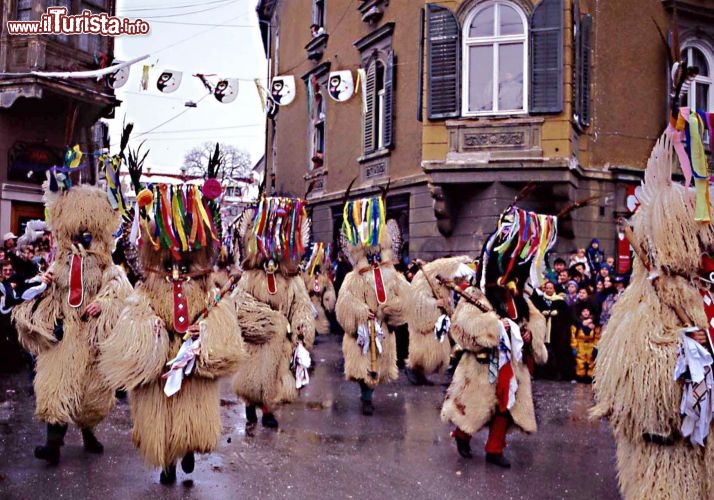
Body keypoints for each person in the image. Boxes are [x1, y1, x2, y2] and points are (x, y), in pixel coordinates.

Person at [100, 181, 244, 485]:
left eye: (184, 254)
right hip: (162, 359)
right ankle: (167, 464)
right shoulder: (148, 287)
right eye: (171, 254)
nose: (177, 260)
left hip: (191, 358)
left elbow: (220, 314)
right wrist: (151, 329)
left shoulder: (206, 287)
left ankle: (188, 447)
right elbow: (136, 311)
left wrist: (203, 329)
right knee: (161, 415)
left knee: (189, 413)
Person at [13, 183, 133, 466]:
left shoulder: (106, 265)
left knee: (89, 391)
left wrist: (102, 304)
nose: (83, 235)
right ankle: (52, 445)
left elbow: (120, 291)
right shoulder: (60, 264)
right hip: (65, 335)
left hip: (91, 336)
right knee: (55, 387)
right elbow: (47, 292)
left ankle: (89, 434)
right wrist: (44, 287)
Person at [230, 196, 316, 429]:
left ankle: (268, 410)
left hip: (282, 344)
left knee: (275, 378)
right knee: (252, 377)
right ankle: (250, 404)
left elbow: (302, 305)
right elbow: (238, 304)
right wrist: (269, 322)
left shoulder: (293, 280)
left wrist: (301, 328)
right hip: (255, 341)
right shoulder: (249, 278)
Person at [336, 194, 411, 416]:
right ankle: (366, 397)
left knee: (379, 365)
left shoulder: (392, 275)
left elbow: (406, 297)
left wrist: (392, 308)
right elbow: (344, 303)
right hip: (363, 330)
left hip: (383, 330)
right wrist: (360, 312)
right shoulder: (354, 277)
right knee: (364, 366)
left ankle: (369, 393)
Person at [404, 256, 475, 386]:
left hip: (441, 321)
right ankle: (413, 369)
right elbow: (416, 301)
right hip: (426, 325)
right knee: (423, 352)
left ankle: (426, 373)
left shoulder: (442, 280)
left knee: (443, 349)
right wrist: (435, 303)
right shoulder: (423, 277)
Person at [531, 280, 573, 380]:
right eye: (547, 288)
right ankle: (542, 373)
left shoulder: (560, 301)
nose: (549, 290)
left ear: (554, 289)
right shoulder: (539, 300)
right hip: (542, 330)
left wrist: (556, 314)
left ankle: (557, 373)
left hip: (556, 331)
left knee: (556, 351)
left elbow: (566, 316)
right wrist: (543, 313)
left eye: (551, 288)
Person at [570, 306, 600, 382]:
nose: (586, 313)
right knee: (580, 362)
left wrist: (596, 347)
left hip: (590, 345)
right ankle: (580, 377)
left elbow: (597, 336)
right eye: (584, 311)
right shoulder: (577, 324)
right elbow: (573, 336)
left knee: (591, 362)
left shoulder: (594, 324)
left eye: (587, 311)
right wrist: (574, 347)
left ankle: (590, 377)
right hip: (580, 345)